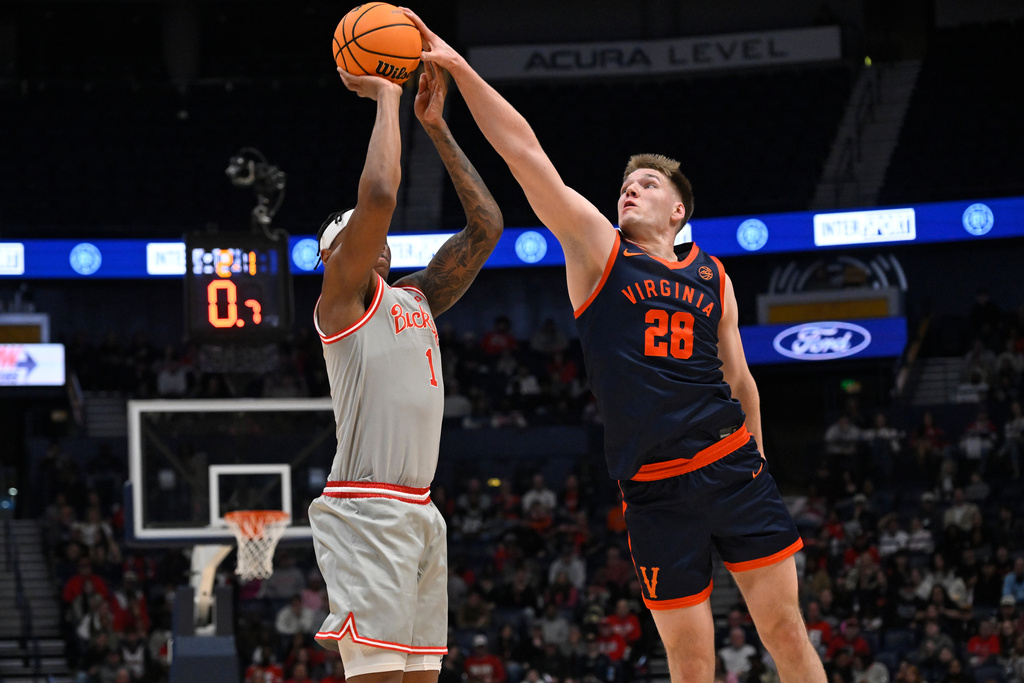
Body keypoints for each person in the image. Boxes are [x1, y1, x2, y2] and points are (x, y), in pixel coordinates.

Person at [404, 10, 825, 683]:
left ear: (678, 211)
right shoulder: (599, 252)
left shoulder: (713, 275)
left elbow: (740, 380)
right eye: (627, 184)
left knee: (784, 629)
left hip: (730, 464)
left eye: (648, 185)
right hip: (653, 489)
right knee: (689, 659)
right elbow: (525, 154)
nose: (632, 189)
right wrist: (459, 68)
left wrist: (761, 459)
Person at [307, 62, 503, 683]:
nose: (376, 240)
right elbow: (382, 196)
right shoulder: (340, 300)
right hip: (366, 510)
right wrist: (386, 100)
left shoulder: (416, 298)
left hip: (419, 509)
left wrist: (437, 126)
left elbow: (487, 226)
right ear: (334, 255)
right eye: (357, 235)